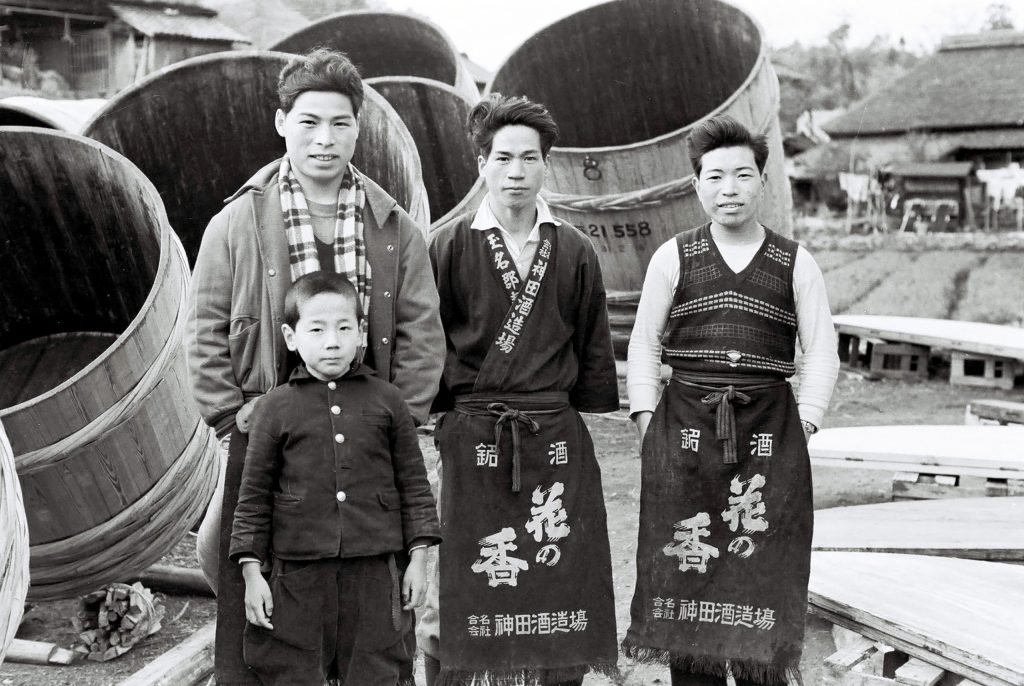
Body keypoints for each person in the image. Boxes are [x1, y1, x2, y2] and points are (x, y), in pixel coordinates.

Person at [185, 48, 444, 684]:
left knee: (371, 604)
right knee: (256, 599)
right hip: (266, 431)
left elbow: (420, 330)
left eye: (339, 123)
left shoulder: (392, 226)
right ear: (282, 124)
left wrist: (398, 418)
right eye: (308, 122)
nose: (324, 140)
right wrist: (231, 420)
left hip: (368, 437)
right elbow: (204, 326)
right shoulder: (236, 221)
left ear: (359, 127)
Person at [621, 115, 840, 685]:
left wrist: (807, 424)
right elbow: (644, 344)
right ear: (697, 185)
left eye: (743, 175)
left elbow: (821, 352)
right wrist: (649, 422)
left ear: (762, 181)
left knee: (759, 571)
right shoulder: (674, 256)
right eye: (715, 176)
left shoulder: (796, 261)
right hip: (685, 431)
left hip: (769, 434)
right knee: (688, 570)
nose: (730, 189)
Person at [422, 93, 620, 686]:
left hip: (553, 436)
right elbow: (432, 346)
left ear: (546, 165)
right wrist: (442, 424)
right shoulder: (448, 246)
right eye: (502, 157)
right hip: (474, 436)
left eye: (529, 159)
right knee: (462, 577)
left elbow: (590, 345)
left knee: (556, 571)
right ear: (481, 162)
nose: (516, 172)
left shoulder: (576, 251)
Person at [230, 272, 440, 685]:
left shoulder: (388, 401)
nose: (332, 341)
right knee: (293, 670)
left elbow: (414, 486)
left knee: (377, 669)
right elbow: (253, 499)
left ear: (361, 333)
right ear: (291, 337)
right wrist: (252, 575)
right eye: (317, 329)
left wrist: (418, 559)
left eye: (344, 328)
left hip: (374, 574)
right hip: (298, 576)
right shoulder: (274, 409)